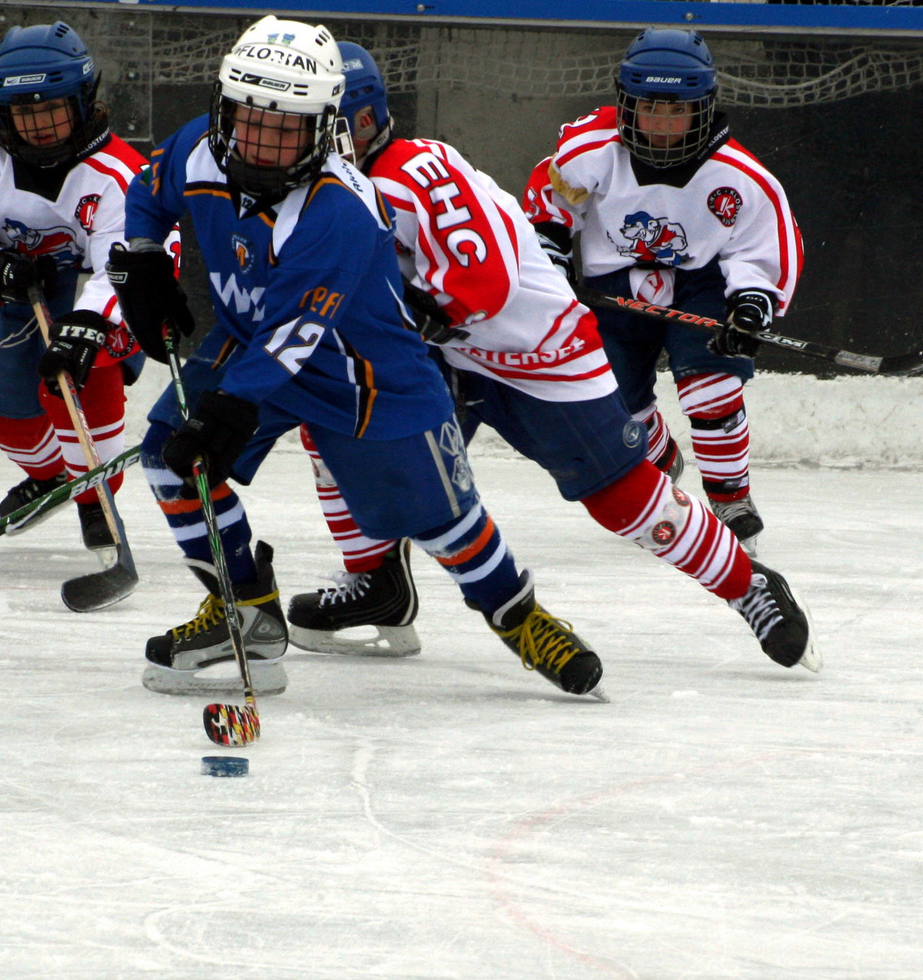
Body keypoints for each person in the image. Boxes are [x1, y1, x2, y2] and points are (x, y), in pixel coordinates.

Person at [107, 15, 605, 701]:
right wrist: (141, 262)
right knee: (170, 456)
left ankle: (517, 615)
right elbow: (146, 190)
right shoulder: (199, 145)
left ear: (322, 128)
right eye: (249, 119)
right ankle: (242, 613)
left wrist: (227, 407)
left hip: (367, 376)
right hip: (252, 345)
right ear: (225, 108)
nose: (262, 142)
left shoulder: (337, 209)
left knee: (442, 520)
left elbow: (295, 332)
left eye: (286, 128)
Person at [284, 42, 820, 675]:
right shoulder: (320, 184)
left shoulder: (403, 177)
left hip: (533, 346)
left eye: (317, 127)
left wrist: (421, 308)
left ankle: (748, 585)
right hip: (448, 355)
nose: (292, 143)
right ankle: (377, 583)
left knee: (623, 498)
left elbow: (480, 283)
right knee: (335, 425)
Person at [524, 27, 802, 557]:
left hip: (702, 283)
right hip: (611, 285)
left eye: (677, 112)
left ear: (704, 109)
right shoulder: (593, 149)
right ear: (626, 103)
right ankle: (657, 455)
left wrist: (751, 302)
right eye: (650, 109)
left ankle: (730, 499)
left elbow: (763, 247)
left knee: (711, 383)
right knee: (605, 399)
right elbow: (552, 199)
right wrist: (551, 251)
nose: (662, 125)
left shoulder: (740, 176)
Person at [0, 22, 170, 555]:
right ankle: (57, 475)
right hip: (19, 291)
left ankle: (92, 498)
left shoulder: (122, 174)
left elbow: (131, 264)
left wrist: (92, 320)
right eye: (23, 110)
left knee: (78, 377)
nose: (38, 124)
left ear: (83, 100)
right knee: (1, 404)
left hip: (97, 295)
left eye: (52, 107)